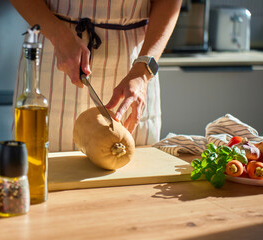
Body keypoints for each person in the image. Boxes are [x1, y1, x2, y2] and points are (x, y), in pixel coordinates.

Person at [10, 0, 182, 152]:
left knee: (135, 174)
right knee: (41, 167)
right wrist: (59, 36)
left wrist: (143, 71)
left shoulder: (141, 69)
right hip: (55, 49)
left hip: (136, 65)